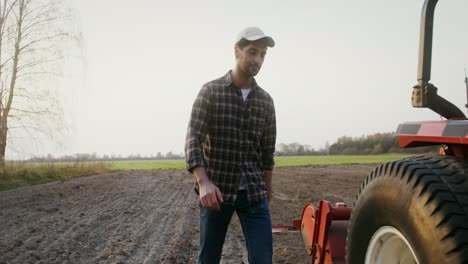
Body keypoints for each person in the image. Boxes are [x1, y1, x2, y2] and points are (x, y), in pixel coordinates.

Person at [185, 26, 277, 264]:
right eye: (253, 52)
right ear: (237, 51)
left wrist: (267, 190)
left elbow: (267, 152)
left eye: (263, 54)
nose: (258, 59)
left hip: (254, 194)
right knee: (208, 259)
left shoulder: (266, 101)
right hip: (217, 193)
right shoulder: (211, 92)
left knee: (263, 260)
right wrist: (203, 182)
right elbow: (193, 138)